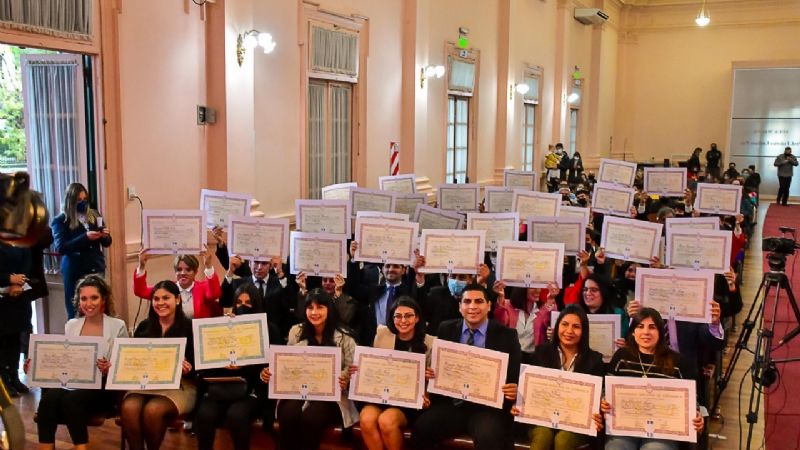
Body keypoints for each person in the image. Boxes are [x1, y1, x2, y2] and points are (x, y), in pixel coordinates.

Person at [411, 283, 521, 450]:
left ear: (489, 306)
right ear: (460, 307)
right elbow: (437, 367)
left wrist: (514, 389)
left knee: (489, 437)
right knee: (422, 427)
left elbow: (513, 377)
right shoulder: (445, 328)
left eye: (479, 301)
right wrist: (430, 375)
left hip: (487, 409)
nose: (472, 307)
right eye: (467, 302)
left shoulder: (507, 335)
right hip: (453, 405)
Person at [31, 275, 128, 450]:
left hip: (102, 386)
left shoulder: (117, 325)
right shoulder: (72, 325)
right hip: (73, 382)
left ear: (103, 299)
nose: (88, 303)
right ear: (78, 301)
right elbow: (64, 360)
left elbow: (124, 366)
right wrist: (36, 366)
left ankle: (81, 447)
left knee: (71, 401)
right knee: (48, 399)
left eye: (94, 298)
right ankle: (45, 447)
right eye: (84, 298)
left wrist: (109, 368)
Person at [260, 289, 358, 450]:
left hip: (331, 396)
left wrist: (344, 377)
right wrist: (270, 372)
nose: (314, 312)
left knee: (311, 417)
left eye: (320, 307)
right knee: (288, 413)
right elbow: (286, 362)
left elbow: (353, 367)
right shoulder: (296, 332)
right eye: (309, 308)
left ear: (329, 309)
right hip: (297, 390)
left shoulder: (345, 335)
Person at [603, 308, 705, 450]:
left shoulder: (678, 362)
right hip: (626, 426)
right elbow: (606, 390)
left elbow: (692, 399)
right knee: (616, 447)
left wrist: (697, 414)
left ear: (660, 333)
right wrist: (604, 402)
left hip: (662, 429)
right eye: (640, 326)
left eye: (652, 327)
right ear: (633, 332)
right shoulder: (621, 356)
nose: (646, 332)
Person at [194, 284, 280, 450]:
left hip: (252, 388)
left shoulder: (269, 329)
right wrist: (224, 364)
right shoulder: (222, 327)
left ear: (256, 303)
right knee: (205, 414)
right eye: (239, 302)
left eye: (248, 302)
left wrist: (250, 367)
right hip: (222, 386)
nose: (243, 307)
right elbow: (208, 366)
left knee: (236, 415)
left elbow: (271, 366)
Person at [511, 305, 605, 450]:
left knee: (563, 439)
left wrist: (598, 414)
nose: (569, 331)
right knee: (543, 435)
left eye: (576, 327)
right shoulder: (541, 352)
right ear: (557, 327)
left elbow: (598, 400)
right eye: (564, 324)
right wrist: (519, 402)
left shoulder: (594, 360)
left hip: (576, 423)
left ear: (584, 331)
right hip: (541, 419)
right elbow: (527, 388)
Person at [120, 280, 195, 450]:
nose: (160, 303)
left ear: (177, 300)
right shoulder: (144, 327)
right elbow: (135, 361)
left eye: (165, 298)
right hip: (145, 384)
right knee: (129, 407)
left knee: (153, 410)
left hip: (181, 386)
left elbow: (199, 370)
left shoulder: (190, 327)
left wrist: (187, 369)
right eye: (156, 299)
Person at [354, 297, 435, 450]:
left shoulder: (430, 342)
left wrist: (428, 386)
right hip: (381, 396)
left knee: (386, 421)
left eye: (408, 315)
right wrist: (359, 370)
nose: (403, 320)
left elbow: (433, 381)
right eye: (397, 316)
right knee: (366, 419)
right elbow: (373, 367)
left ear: (417, 318)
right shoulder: (382, 335)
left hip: (409, 401)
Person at [52, 182, 111, 319]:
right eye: (79, 200)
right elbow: (61, 247)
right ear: (70, 200)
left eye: (85, 199)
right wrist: (85, 237)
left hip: (95, 267)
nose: (82, 203)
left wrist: (105, 236)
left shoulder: (94, 215)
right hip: (75, 270)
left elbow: (107, 243)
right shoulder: (60, 220)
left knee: (100, 309)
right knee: (76, 311)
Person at [222, 255, 295, 342]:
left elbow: (291, 303)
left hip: (273, 337)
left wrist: (280, 273)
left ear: (271, 265)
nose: (259, 267)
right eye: (256, 262)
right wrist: (230, 272)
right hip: (244, 337)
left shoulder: (280, 283)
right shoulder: (239, 284)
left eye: (264, 263)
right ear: (249, 263)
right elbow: (224, 301)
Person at [134, 248, 222, 319]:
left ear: (195, 272)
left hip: (195, 335)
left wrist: (209, 266)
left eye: (188, 270)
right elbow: (140, 291)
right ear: (175, 272)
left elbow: (215, 294)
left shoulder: (202, 288)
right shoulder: (167, 288)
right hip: (173, 336)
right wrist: (141, 266)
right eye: (179, 270)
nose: (183, 273)